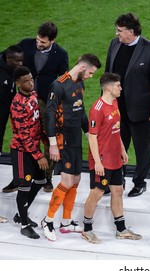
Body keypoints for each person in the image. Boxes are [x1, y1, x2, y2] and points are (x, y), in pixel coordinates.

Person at [2, 21, 69, 193]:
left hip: (47, 102)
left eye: (43, 42)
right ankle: (19, 178)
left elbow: (64, 79)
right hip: (25, 99)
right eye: (38, 39)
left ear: (52, 40)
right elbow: (8, 55)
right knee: (23, 137)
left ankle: (46, 177)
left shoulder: (61, 54)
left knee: (48, 137)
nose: (38, 43)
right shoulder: (26, 44)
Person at [41, 54, 101, 242]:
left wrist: (88, 134)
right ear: (82, 67)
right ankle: (48, 220)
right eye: (91, 72)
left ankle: (66, 222)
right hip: (62, 140)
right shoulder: (58, 85)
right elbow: (49, 115)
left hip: (76, 139)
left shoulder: (79, 84)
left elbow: (80, 111)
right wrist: (52, 144)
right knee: (66, 181)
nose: (91, 76)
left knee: (75, 179)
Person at [105, 12, 150, 197]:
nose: (117, 34)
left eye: (120, 31)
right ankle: (117, 180)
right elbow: (107, 76)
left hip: (140, 112)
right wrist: (105, 102)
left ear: (131, 32)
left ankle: (139, 182)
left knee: (141, 149)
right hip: (116, 110)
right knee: (115, 147)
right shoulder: (114, 45)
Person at [82, 73, 142, 244]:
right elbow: (92, 138)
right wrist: (98, 162)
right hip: (102, 160)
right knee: (97, 193)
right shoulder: (97, 109)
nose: (120, 88)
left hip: (115, 158)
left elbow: (116, 129)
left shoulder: (115, 103)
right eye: (118, 85)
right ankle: (87, 229)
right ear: (109, 88)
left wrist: (122, 149)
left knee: (118, 191)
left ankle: (121, 229)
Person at [9, 66, 49, 239]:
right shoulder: (17, 104)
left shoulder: (33, 95)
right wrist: (39, 156)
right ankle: (24, 224)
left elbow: (38, 122)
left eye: (31, 78)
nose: (30, 82)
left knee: (40, 181)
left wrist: (47, 142)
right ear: (18, 83)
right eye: (25, 81)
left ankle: (20, 214)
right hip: (21, 151)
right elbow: (24, 135)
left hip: (33, 148)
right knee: (24, 188)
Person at [0, 45, 24, 158]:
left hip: (6, 107)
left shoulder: (12, 69)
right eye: (17, 61)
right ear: (8, 58)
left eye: (21, 60)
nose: (20, 64)